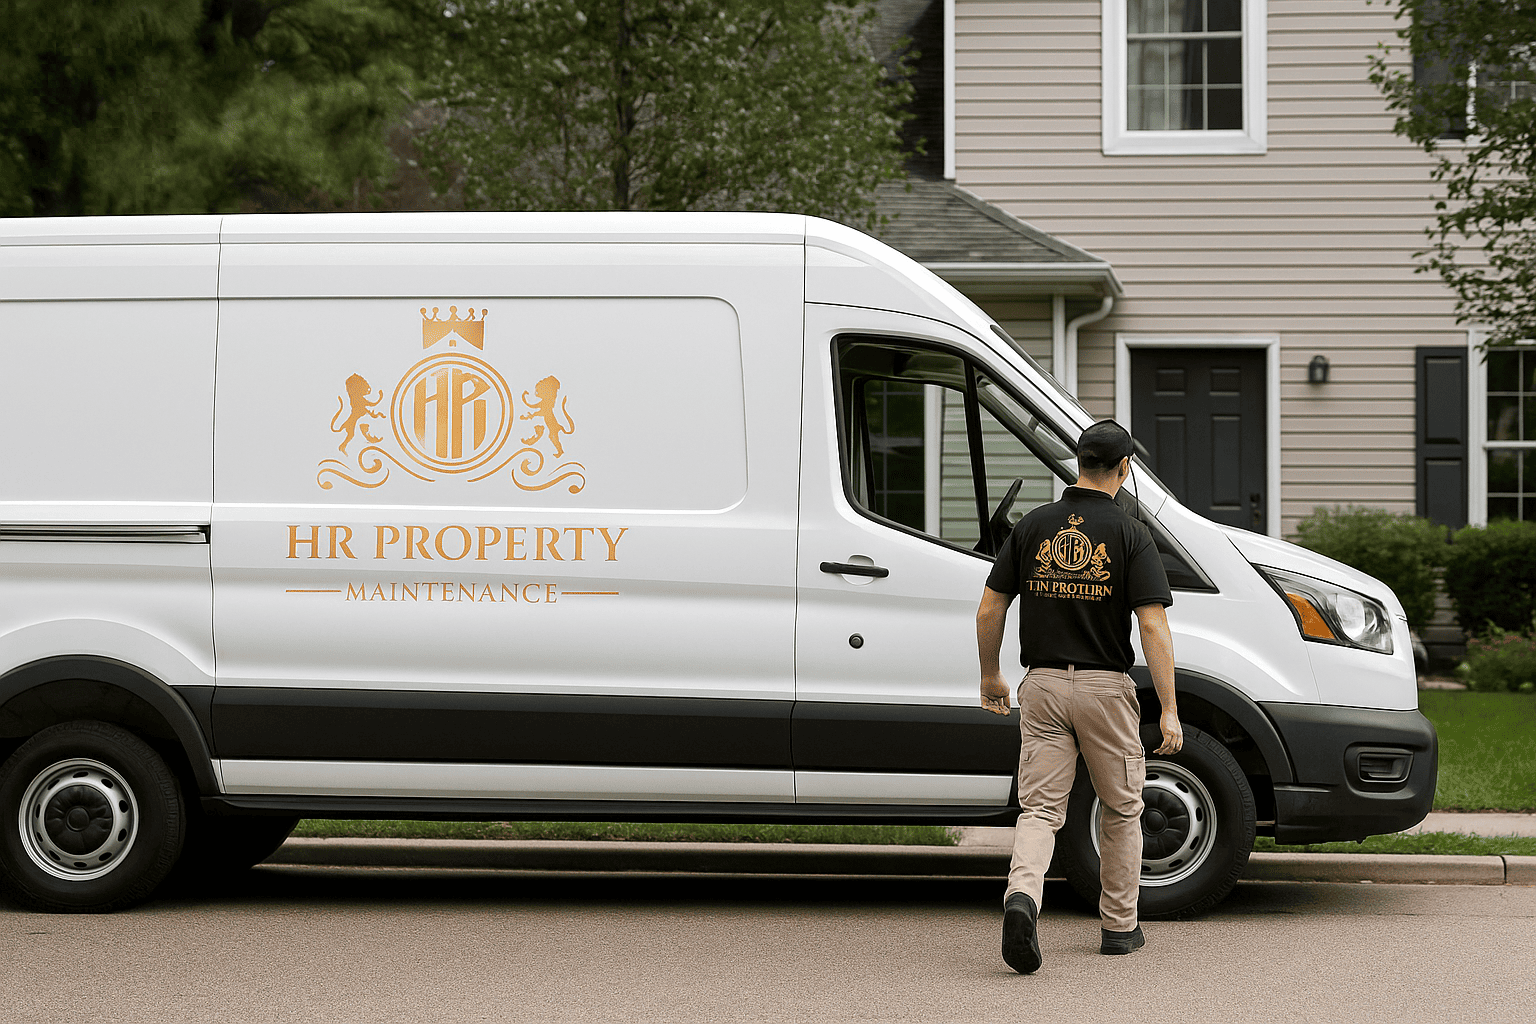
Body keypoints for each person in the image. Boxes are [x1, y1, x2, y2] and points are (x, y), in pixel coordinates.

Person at [975, 419, 1181, 975]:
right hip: (1104, 690)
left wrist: (991, 674)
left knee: (1040, 808)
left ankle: (1022, 898)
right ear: (1124, 469)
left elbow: (991, 607)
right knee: (1121, 807)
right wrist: (1169, 707)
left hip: (1040, 685)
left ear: (1077, 461)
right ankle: (1119, 928)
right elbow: (1153, 629)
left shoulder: (1034, 527)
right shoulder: (1131, 533)